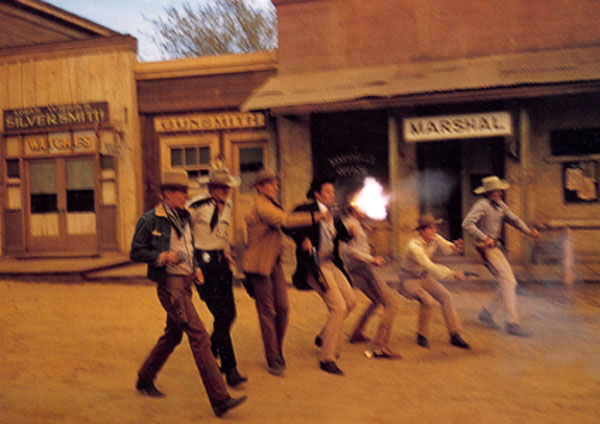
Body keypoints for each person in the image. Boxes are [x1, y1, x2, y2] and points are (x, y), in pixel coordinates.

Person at [130, 169, 246, 418]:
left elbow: (188, 246)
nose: (186, 195)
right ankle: (220, 399)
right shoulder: (150, 219)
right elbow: (136, 251)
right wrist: (161, 257)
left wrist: (194, 269)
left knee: (173, 335)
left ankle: (144, 378)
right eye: (181, 191)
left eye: (186, 191)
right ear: (167, 193)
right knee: (200, 335)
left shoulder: (185, 217)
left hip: (186, 283)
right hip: (170, 286)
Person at [242, 170, 326, 377]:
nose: (275, 186)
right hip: (259, 265)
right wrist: (317, 216)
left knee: (283, 308)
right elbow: (286, 221)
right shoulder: (262, 206)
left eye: (274, 183)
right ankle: (273, 358)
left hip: (274, 263)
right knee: (267, 312)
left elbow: (285, 218)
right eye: (270, 184)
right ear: (260, 187)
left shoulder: (270, 204)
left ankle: (276, 349)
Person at [288, 178, 356, 375]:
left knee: (350, 302)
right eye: (327, 192)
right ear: (317, 194)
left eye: (332, 192)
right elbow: (287, 225)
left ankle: (324, 335)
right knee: (338, 307)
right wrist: (302, 239)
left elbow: (341, 235)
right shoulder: (305, 209)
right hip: (314, 266)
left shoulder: (332, 214)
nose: (332, 195)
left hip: (331, 263)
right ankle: (327, 357)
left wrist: (350, 233)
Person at [187, 166, 246, 388]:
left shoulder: (228, 206)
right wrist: (194, 266)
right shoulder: (195, 207)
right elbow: (185, 237)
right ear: (211, 188)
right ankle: (230, 370)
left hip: (221, 263)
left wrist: (227, 249)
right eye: (221, 188)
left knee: (229, 314)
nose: (225, 192)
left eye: (227, 188)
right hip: (203, 264)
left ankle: (210, 353)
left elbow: (222, 231)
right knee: (221, 314)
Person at [462, 175, 541, 337]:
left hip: (495, 247)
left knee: (507, 282)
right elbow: (467, 223)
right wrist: (485, 238)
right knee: (508, 281)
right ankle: (512, 323)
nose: (497, 193)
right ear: (487, 193)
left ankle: (487, 313)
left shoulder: (500, 205)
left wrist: (527, 231)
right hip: (485, 248)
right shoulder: (482, 205)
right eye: (493, 191)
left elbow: (514, 219)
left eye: (499, 190)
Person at [399, 213, 471, 350]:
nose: (435, 231)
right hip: (408, 279)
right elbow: (429, 265)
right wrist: (452, 273)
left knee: (446, 296)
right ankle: (422, 335)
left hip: (423, 277)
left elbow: (447, 247)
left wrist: (455, 247)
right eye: (431, 228)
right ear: (421, 231)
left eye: (435, 228)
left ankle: (455, 334)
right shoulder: (414, 246)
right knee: (428, 301)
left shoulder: (434, 238)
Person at [340, 204, 401, 359]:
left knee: (376, 300)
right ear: (354, 210)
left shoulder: (354, 224)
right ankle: (380, 347)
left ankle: (357, 333)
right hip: (364, 267)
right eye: (362, 208)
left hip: (356, 268)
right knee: (391, 303)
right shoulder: (351, 225)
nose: (365, 210)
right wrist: (372, 259)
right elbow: (350, 250)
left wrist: (364, 229)